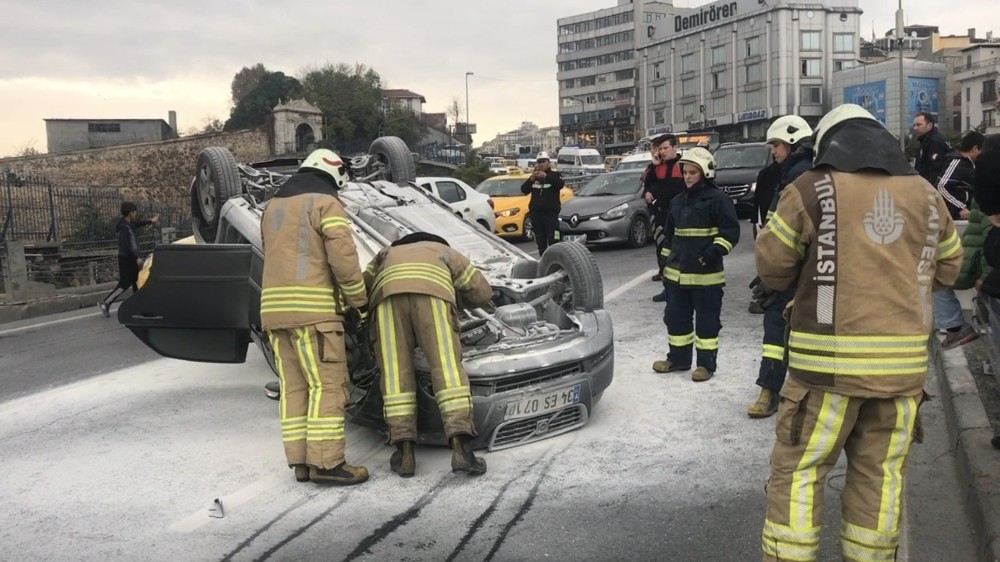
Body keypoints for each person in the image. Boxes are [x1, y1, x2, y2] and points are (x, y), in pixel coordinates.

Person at [756, 104, 962, 561]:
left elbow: (772, 268)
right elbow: (950, 269)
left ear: (829, 143)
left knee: (801, 472)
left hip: (824, 375)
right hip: (903, 377)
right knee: (880, 478)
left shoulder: (810, 189)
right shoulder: (927, 194)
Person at [259, 148, 370, 486]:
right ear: (333, 173)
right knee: (327, 385)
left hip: (274, 315)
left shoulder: (272, 206)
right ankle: (327, 463)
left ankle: (301, 463)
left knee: (294, 387)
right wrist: (359, 301)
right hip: (315, 315)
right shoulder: (326, 203)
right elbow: (344, 258)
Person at [364, 232, 492, 477]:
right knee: (447, 370)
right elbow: (482, 293)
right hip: (432, 299)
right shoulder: (444, 251)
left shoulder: (386, 254)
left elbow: (361, 287)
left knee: (394, 375)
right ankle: (461, 450)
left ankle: (405, 455)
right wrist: (457, 299)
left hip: (387, 303)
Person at [651, 147, 739, 382]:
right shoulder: (678, 201)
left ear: (705, 173)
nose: (688, 176)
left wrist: (709, 255)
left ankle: (705, 366)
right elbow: (671, 235)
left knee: (707, 324)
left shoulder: (718, 199)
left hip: (706, 277)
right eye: (685, 172)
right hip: (676, 277)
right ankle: (678, 360)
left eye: (693, 172)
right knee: (675, 318)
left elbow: (730, 233)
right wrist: (666, 262)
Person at [746, 115, 814, 418]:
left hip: (796, 271)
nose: (773, 151)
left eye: (775, 145)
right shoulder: (793, 174)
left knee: (777, 329)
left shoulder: (800, 177)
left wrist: (775, 273)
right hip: (797, 269)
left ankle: (771, 391)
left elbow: (790, 231)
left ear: (792, 141)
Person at [932, 131, 985, 350]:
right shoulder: (959, 163)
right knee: (942, 274)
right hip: (957, 224)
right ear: (974, 149)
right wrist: (959, 207)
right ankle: (953, 325)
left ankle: (952, 325)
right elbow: (942, 186)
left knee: (940, 276)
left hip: (967, 234)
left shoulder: (972, 167)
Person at [641, 133, 686, 302]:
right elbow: (646, 185)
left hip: (679, 215)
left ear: (675, 148)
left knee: (679, 251)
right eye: (660, 149)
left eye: (666, 148)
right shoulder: (655, 167)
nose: (663, 152)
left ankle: (681, 287)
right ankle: (667, 285)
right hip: (659, 214)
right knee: (662, 250)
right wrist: (648, 191)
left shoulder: (682, 166)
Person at [99, 202, 157, 317]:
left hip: (128, 257)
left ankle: (138, 306)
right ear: (130, 213)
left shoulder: (127, 224)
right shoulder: (125, 228)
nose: (136, 214)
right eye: (134, 212)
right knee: (124, 284)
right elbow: (128, 245)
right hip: (127, 259)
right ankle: (106, 303)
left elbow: (137, 224)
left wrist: (150, 221)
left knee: (137, 281)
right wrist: (137, 258)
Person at [520, 151, 564, 255]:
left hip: (550, 215)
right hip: (536, 215)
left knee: (554, 240)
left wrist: (546, 177)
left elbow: (560, 184)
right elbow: (524, 190)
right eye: (539, 162)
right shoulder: (534, 178)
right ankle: (543, 263)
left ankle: (556, 262)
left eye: (543, 161)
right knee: (541, 242)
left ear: (548, 162)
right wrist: (531, 180)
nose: (541, 164)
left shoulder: (555, 175)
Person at [912, 111, 951, 184]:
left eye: (918, 125)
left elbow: (935, 170)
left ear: (929, 125)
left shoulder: (935, 142)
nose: (915, 128)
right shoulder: (924, 141)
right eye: (914, 125)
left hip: (931, 188)